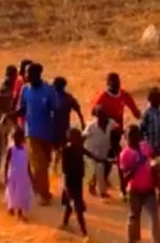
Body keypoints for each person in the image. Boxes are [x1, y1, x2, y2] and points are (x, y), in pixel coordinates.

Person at [10, 63, 59, 204]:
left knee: (45, 163)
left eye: (29, 73)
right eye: (26, 73)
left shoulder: (49, 90)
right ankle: (44, 195)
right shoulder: (25, 90)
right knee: (39, 165)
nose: (26, 75)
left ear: (38, 74)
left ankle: (38, 188)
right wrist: (11, 115)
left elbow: (56, 111)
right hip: (31, 132)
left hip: (47, 133)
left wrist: (57, 133)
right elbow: (23, 109)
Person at [93, 72, 141, 200]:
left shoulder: (124, 95)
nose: (116, 85)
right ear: (108, 84)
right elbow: (94, 111)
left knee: (109, 158)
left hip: (117, 134)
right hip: (106, 134)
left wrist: (141, 117)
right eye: (113, 83)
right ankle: (122, 190)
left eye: (118, 82)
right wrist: (106, 117)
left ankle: (100, 183)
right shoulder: (103, 97)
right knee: (116, 159)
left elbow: (136, 111)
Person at [120, 124, 160, 243]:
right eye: (130, 136)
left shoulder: (145, 147)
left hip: (149, 189)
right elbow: (125, 178)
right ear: (126, 137)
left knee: (154, 217)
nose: (133, 138)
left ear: (139, 136)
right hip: (135, 190)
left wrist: (155, 168)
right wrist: (136, 165)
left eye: (135, 135)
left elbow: (153, 160)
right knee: (134, 217)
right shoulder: (125, 154)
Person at [60, 128, 107, 239]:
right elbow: (64, 169)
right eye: (76, 138)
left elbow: (91, 156)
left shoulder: (79, 148)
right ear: (70, 139)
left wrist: (103, 160)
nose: (79, 140)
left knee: (70, 205)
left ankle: (64, 224)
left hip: (77, 181)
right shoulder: (66, 150)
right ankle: (84, 232)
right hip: (70, 182)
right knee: (78, 206)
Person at [83, 106, 118, 198]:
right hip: (91, 154)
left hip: (104, 153)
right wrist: (91, 156)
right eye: (100, 115)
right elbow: (82, 139)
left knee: (105, 167)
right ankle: (101, 192)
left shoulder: (112, 123)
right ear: (97, 116)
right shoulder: (91, 126)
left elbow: (117, 134)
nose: (103, 117)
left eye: (105, 115)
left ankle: (100, 184)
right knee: (98, 168)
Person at [52, 76, 85, 172]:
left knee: (55, 149)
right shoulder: (68, 98)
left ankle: (55, 167)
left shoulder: (52, 97)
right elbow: (78, 110)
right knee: (62, 149)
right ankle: (59, 167)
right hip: (64, 127)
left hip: (53, 127)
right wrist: (82, 122)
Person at [4, 127, 33, 220]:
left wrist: (30, 176)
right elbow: (6, 163)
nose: (16, 139)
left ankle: (19, 212)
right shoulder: (11, 149)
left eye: (18, 137)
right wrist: (5, 176)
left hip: (23, 176)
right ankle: (11, 208)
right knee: (11, 192)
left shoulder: (25, 149)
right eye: (15, 136)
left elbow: (27, 163)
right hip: (13, 174)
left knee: (21, 193)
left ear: (22, 138)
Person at [0, 65, 19, 157]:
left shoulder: (13, 85)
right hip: (7, 118)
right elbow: (1, 104)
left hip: (10, 117)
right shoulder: (4, 88)